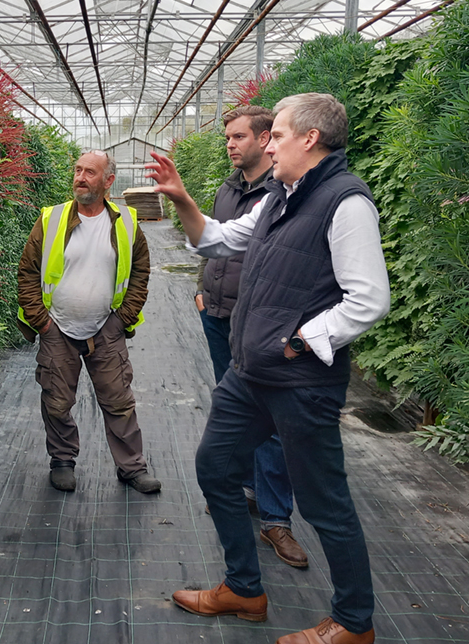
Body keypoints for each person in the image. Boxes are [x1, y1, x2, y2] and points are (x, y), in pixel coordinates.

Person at [146, 93, 389, 644]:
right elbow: (216, 240)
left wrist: (302, 340)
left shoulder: (345, 202)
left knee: (325, 504)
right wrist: (181, 197)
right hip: (250, 374)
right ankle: (244, 589)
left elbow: (369, 298)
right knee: (216, 468)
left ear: (309, 138)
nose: (267, 144)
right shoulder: (280, 196)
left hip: (300, 380)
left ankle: (354, 623)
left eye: (276, 134)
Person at [197, 106, 308, 569]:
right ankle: (243, 488)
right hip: (217, 316)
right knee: (232, 408)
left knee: (272, 422)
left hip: (260, 329)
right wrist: (201, 291)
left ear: (266, 140)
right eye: (227, 136)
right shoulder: (228, 188)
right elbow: (217, 244)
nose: (229, 144)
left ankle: (276, 519)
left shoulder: (282, 196)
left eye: (238, 136)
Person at [17, 150, 160, 494]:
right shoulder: (52, 219)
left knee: (119, 401)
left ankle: (131, 467)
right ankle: (62, 460)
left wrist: (121, 318)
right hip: (58, 329)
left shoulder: (125, 222)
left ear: (108, 181)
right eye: (78, 170)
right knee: (56, 400)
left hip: (106, 330)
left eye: (90, 172)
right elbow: (27, 272)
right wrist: (43, 322)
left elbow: (141, 271)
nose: (80, 177)